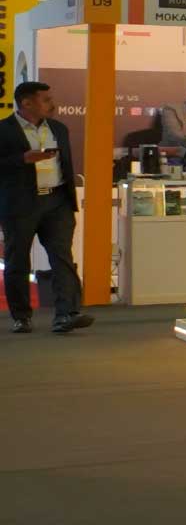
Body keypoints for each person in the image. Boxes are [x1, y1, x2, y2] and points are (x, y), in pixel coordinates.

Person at [5, 80, 89, 335]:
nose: (52, 104)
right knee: (18, 259)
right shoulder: (4, 130)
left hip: (57, 201)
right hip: (20, 203)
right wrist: (22, 159)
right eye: (46, 100)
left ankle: (67, 314)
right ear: (26, 103)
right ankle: (21, 317)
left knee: (62, 257)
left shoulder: (58, 128)